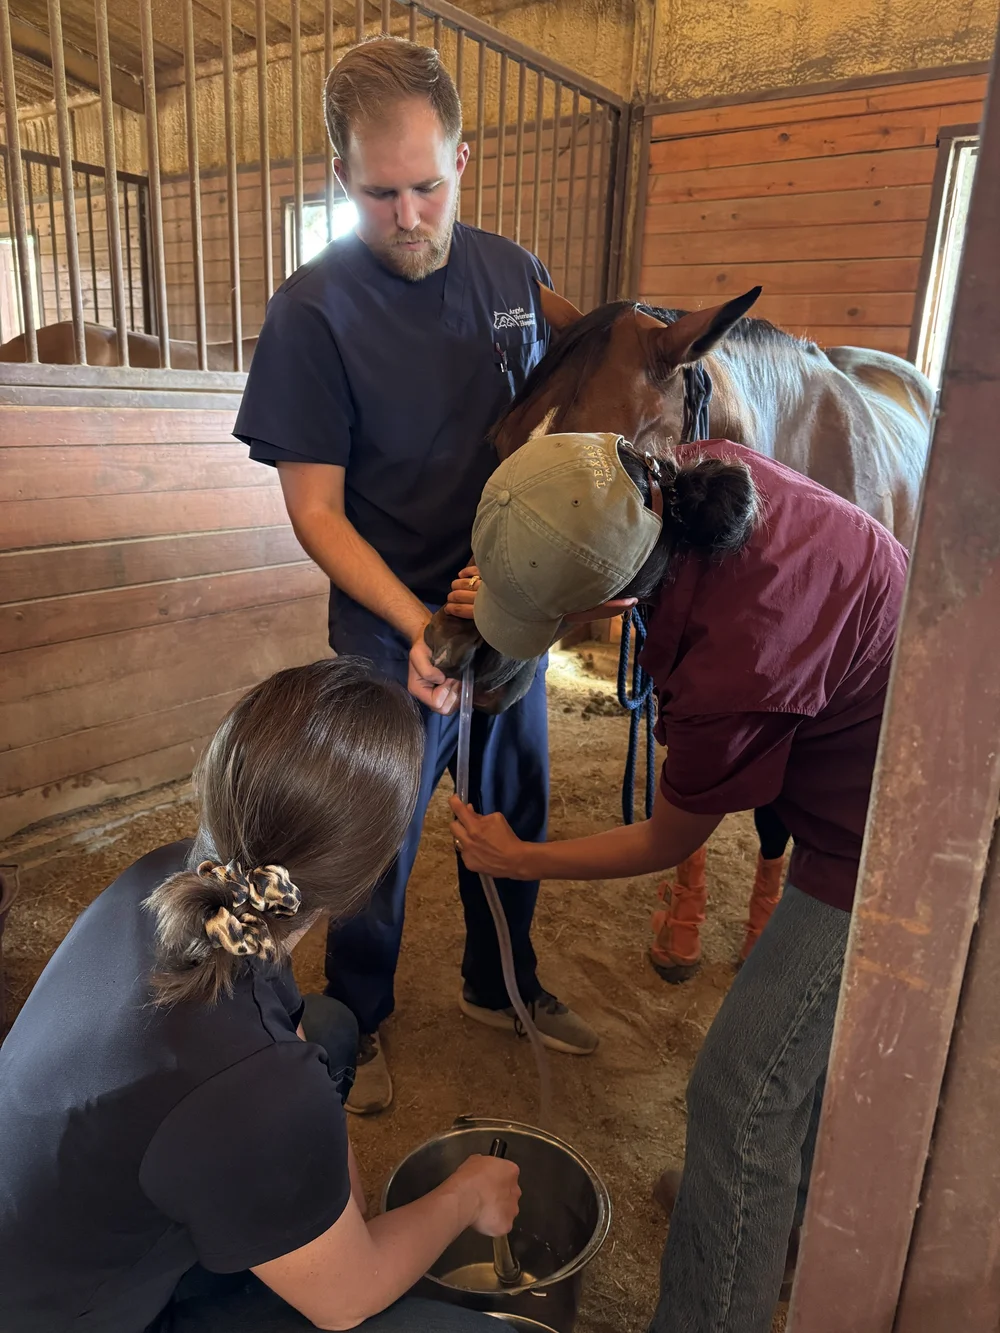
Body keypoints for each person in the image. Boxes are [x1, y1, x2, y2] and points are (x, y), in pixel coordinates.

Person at [447, 428, 907, 1333]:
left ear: (619, 591)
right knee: (794, 1074)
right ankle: (765, 1213)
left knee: (739, 1097)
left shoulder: (740, 658)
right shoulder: (683, 474)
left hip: (886, 835)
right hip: (875, 751)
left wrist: (522, 858)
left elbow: (669, 839)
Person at [233, 36, 598, 1117]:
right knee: (376, 831)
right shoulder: (311, 313)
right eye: (379, 191)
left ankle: (501, 981)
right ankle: (358, 1014)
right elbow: (314, 511)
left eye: (428, 185)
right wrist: (417, 629)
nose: (407, 214)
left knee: (513, 803)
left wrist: (533, 559)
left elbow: (562, 415)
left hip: (507, 605)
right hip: (389, 624)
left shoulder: (511, 272)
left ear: (464, 162)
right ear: (340, 178)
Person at [0, 658, 521, 1333]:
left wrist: (316, 1167)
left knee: (327, 1026)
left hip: (58, 1227)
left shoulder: (181, 878)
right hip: (77, 1316)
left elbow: (275, 1047)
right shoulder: (251, 1085)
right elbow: (345, 1299)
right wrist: (464, 1196)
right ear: (370, 873)